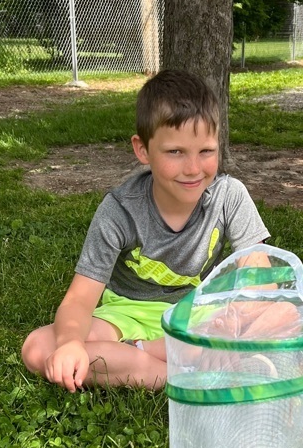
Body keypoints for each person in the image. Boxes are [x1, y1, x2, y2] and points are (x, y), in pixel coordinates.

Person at [21, 69, 270, 392]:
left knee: (282, 314)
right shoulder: (120, 210)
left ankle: (164, 357)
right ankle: (184, 375)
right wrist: (70, 343)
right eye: (175, 152)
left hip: (199, 315)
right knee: (39, 348)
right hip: (128, 314)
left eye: (206, 151)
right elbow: (80, 300)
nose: (194, 168)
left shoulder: (229, 196)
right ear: (142, 150)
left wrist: (231, 322)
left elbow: (259, 276)